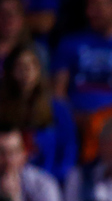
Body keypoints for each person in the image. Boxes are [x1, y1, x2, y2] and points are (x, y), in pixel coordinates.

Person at [0, 44, 77, 184]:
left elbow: (69, 151)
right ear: (10, 70)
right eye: (20, 66)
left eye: (32, 65)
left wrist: (49, 180)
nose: (27, 71)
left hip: (49, 179)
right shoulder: (2, 107)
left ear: (40, 69)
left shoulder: (57, 108)